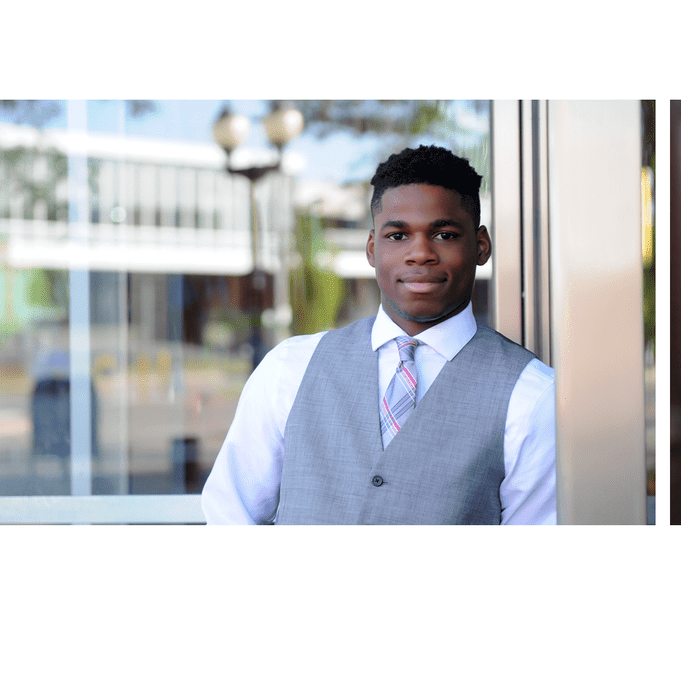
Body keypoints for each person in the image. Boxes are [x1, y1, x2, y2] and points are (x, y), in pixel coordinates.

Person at [202, 145, 556, 524]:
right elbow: (230, 517)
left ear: (481, 246)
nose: (420, 253)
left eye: (445, 234)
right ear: (372, 248)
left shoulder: (532, 396)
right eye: (398, 236)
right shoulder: (289, 369)